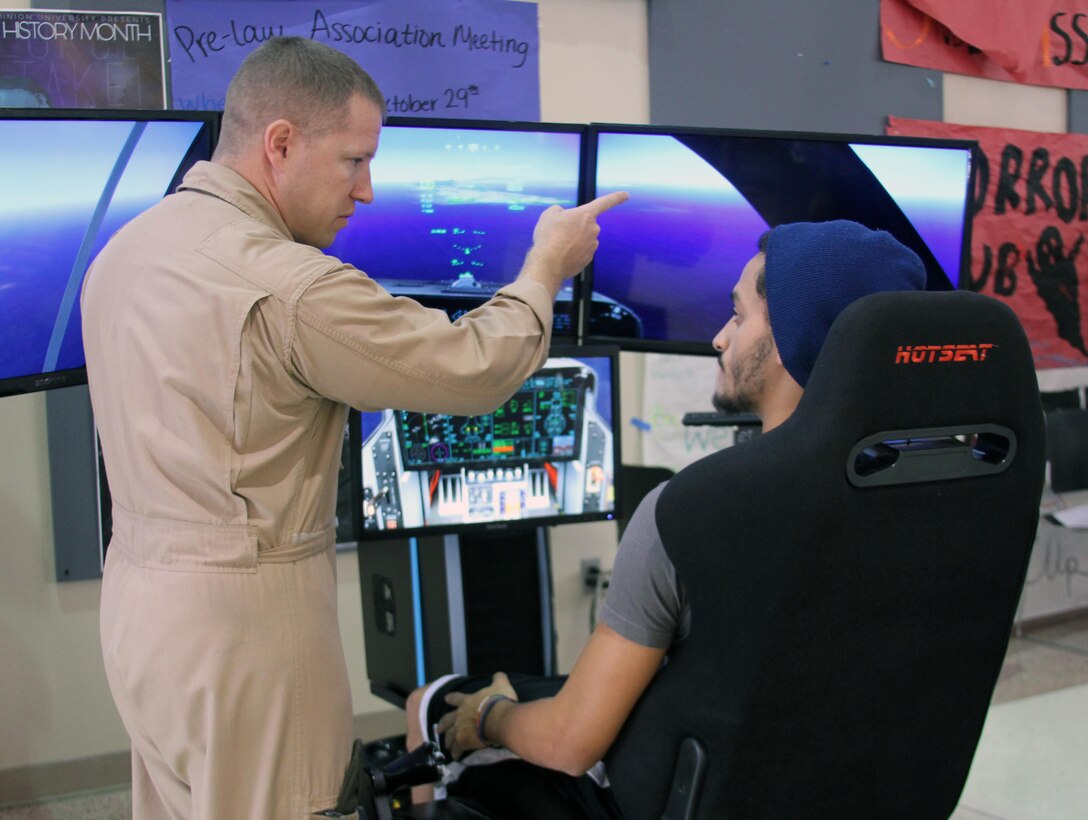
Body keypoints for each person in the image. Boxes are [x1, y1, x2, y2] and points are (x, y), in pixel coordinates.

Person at [80, 36, 626, 819]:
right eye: (353, 160)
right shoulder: (290, 287)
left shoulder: (126, 252)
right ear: (280, 143)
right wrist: (544, 268)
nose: (367, 190)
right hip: (246, 628)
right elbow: (471, 367)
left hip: (139, 609)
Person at [408, 219, 929, 819]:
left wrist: (490, 718)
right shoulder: (947, 498)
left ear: (791, 337)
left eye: (737, 315)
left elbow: (569, 744)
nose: (718, 338)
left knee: (432, 702)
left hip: (674, 796)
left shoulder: (690, 512)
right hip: (857, 789)